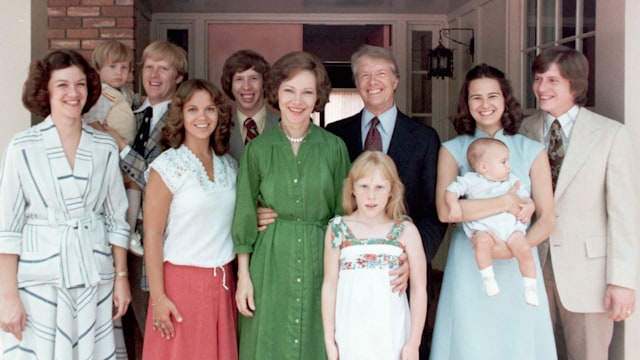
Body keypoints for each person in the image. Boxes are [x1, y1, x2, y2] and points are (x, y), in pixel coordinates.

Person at [0, 49, 131, 359]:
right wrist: (7, 296)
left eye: (81, 84)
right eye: (62, 85)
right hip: (38, 280)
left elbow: (117, 219)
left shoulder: (104, 146)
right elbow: (7, 226)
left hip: (93, 275)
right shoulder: (23, 146)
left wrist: (121, 279)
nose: (74, 93)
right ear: (45, 89)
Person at [324, 44, 445, 356]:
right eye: (364, 75)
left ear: (396, 81)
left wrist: (412, 260)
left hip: (399, 279)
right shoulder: (335, 135)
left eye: (380, 74)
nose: (372, 81)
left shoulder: (424, 137)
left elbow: (434, 212)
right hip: (351, 286)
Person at [430, 64, 557, 359]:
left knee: (517, 343)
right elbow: (446, 212)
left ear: (505, 99)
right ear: (466, 103)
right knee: (470, 342)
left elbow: (548, 219)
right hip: (470, 260)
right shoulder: (452, 149)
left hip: (519, 262)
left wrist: (513, 250)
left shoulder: (532, 150)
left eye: (492, 96)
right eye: (476, 98)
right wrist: (504, 203)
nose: (485, 105)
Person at [520, 46, 638, 359]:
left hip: (590, 278)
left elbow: (625, 214)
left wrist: (623, 281)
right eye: (538, 79)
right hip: (533, 269)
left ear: (575, 84)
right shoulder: (525, 130)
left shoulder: (611, 134)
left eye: (552, 81)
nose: (541, 88)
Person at [232, 51, 351, 360]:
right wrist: (244, 277)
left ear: (318, 97)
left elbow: (345, 214)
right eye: (289, 90)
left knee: (318, 340)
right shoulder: (257, 150)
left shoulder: (334, 147)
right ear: (276, 93)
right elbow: (244, 214)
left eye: (307, 92)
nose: (297, 101)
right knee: (269, 340)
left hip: (322, 259)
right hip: (270, 261)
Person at [92, 40, 188, 346]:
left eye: (164, 68)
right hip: (119, 241)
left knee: (156, 329)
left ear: (179, 77)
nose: (155, 74)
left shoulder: (182, 119)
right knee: (119, 326)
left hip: (158, 241)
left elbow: (159, 179)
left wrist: (119, 145)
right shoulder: (129, 110)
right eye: (149, 67)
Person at [141, 79, 238, 359]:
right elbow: (153, 235)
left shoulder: (230, 166)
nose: (202, 117)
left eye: (209, 109)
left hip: (221, 285)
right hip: (179, 286)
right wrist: (158, 298)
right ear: (180, 115)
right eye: (193, 109)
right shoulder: (167, 167)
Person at [322, 151, 427, 360]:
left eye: (379, 187)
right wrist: (329, 340)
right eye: (364, 187)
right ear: (352, 188)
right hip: (351, 333)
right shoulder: (338, 229)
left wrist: (414, 342)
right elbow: (330, 285)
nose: (371, 196)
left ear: (392, 190)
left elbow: (418, 288)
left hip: (392, 333)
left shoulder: (406, 231)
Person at [445, 138, 539, 306]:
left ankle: (530, 286)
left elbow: (526, 197)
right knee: (481, 244)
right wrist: (453, 205)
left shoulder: (511, 181)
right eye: (503, 162)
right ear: (483, 167)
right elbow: (451, 191)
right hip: (485, 228)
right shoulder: (471, 180)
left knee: (524, 249)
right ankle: (488, 278)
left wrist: (529, 206)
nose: (509, 165)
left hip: (511, 228)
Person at [85, 39, 144, 257]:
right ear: (99, 68)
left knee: (134, 186)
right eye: (112, 67)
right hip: (111, 150)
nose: (119, 72)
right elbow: (92, 123)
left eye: (124, 67)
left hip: (124, 149)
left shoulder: (124, 92)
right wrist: (109, 140)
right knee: (127, 186)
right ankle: (125, 232)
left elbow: (137, 102)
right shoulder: (101, 94)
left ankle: (129, 229)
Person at [220, 49, 279, 160]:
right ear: (230, 85)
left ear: (264, 83)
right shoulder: (219, 130)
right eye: (239, 79)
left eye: (254, 78)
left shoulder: (284, 126)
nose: (246, 87)